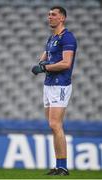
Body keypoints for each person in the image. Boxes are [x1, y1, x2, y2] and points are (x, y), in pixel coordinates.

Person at [32, 6, 77, 175]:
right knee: (53, 126)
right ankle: (58, 166)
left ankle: (63, 166)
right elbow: (44, 58)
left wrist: (44, 68)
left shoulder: (68, 38)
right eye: (49, 14)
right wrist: (40, 64)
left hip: (60, 84)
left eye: (53, 14)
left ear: (62, 18)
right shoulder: (52, 38)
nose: (49, 17)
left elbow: (66, 63)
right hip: (49, 84)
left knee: (55, 124)